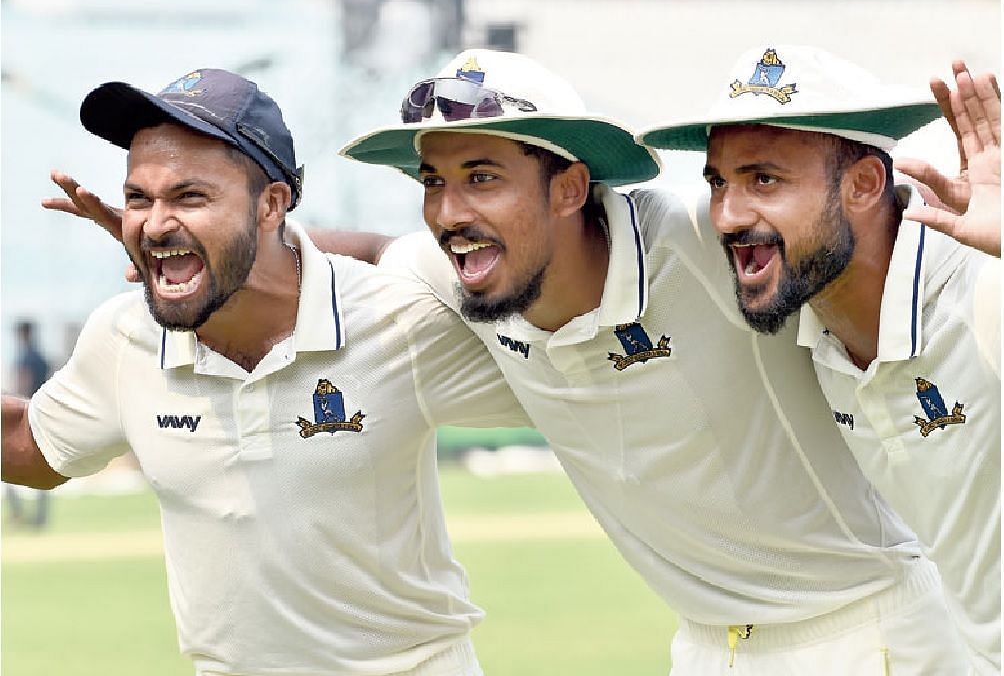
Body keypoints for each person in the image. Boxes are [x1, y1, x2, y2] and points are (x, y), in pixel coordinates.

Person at [50, 51, 969, 674]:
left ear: (571, 185)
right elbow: (361, 256)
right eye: (435, 183)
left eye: (482, 177)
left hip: (870, 628)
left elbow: (848, 224)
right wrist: (192, 246)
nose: (448, 211)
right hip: (706, 646)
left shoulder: (709, 238)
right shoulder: (446, 279)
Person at [1, 68, 533, 676]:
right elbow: (28, 447)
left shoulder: (398, 319)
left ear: (272, 204)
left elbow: (566, 384)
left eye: (189, 197)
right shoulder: (126, 336)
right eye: (138, 199)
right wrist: (197, 248)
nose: (152, 223)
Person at [636, 45, 1000, 674]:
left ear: (863, 184)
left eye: (764, 180)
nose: (727, 214)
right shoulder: (801, 320)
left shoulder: (981, 287)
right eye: (718, 182)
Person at [4, 320, 52, 528]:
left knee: (8, 464)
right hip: (43, 416)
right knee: (45, 468)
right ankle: (39, 518)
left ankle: (17, 514)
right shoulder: (42, 358)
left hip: (24, 418)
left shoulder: (25, 358)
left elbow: (22, 384)